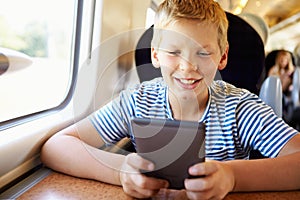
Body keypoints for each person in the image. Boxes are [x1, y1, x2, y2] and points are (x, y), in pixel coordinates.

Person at [41, 0, 300, 199]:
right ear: (155, 55)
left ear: (222, 57)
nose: (187, 67)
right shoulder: (137, 102)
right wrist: (121, 170)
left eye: (203, 53)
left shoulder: (240, 108)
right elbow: (56, 147)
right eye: (174, 51)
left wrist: (231, 177)